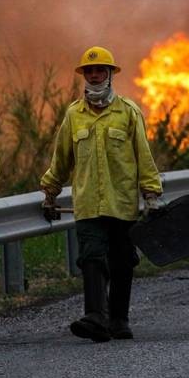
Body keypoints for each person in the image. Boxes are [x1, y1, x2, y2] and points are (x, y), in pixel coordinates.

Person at [40, 46, 163, 342]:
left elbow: (143, 157)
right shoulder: (74, 115)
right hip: (88, 204)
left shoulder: (129, 112)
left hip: (121, 203)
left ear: (110, 75)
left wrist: (151, 194)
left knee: (122, 262)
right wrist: (50, 193)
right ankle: (96, 316)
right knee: (92, 257)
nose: (94, 76)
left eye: (100, 71)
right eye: (90, 71)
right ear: (84, 76)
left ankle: (119, 319)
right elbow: (62, 159)